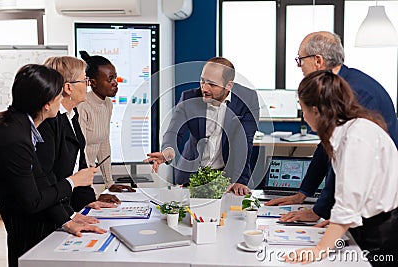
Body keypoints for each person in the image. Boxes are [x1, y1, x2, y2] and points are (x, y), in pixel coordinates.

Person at [266, 31, 398, 223]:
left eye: (300, 60)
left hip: (378, 208)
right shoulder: (342, 84)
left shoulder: (353, 92)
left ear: (318, 61)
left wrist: (320, 211)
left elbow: (345, 159)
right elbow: (326, 147)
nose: (299, 67)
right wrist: (303, 193)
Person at [285, 70, 398, 265]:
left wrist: (320, 248)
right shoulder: (346, 131)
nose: (303, 117)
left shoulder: (356, 136)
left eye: (303, 109)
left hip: (381, 234)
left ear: (316, 110)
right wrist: (341, 224)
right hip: (366, 223)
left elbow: (349, 200)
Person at [0, 64, 106, 267]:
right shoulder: (16, 138)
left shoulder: (24, 128)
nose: (62, 100)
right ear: (47, 104)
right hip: (23, 220)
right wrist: (73, 181)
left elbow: (41, 178)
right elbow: (33, 201)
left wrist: (68, 220)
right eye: (59, 96)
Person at [144, 57, 259, 196]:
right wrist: (168, 152)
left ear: (228, 85)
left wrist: (240, 179)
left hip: (230, 177)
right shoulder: (189, 98)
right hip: (193, 174)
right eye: (202, 80)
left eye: (212, 84)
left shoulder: (248, 99)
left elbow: (244, 142)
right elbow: (174, 131)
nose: (204, 88)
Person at [37, 56, 118, 221]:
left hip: (63, 208)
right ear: (68, 88)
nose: (87, 84)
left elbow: (78, 167)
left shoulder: (71, 116)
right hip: (45, 219)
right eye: (84, 80)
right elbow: (47, 181)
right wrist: (68, 217)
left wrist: (89, 201)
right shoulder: (47, 122)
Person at [78, 51, 134, 193]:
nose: (115, 83)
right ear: (93, 82)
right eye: (110, 79)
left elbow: (103, 143)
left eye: (115, 77)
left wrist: (109, 183)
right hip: (78, 180)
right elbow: (80, 152)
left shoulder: (107, 104)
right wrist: (92, 194)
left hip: (87, 180)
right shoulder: (82, 106)